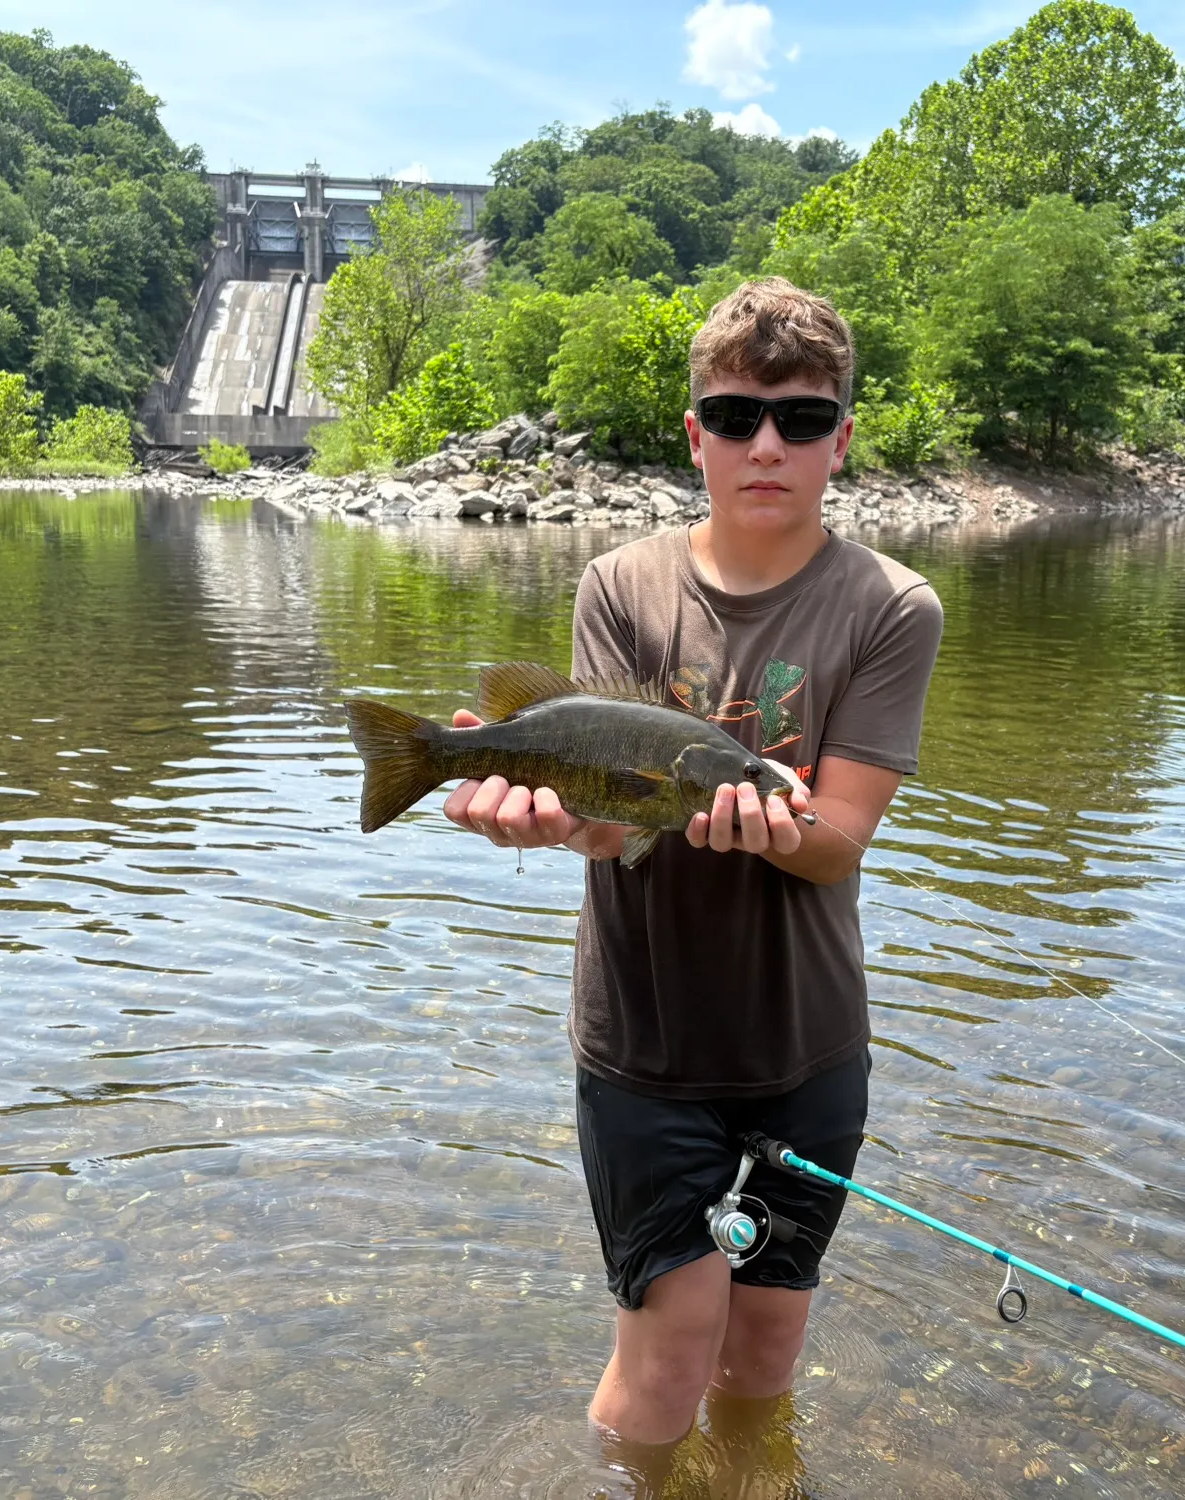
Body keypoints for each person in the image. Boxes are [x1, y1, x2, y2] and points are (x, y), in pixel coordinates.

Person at [444, 278, 944, 1458]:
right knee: (668, 1344)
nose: (765, 445)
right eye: (733, 418)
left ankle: (753, 1486)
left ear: (840, 441)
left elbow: (836, 846)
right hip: (645, 1043)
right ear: (695, 436)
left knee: (767, 1347)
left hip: (805, 1045)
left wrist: (780, 826)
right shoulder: (621, 585)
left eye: (801, 420)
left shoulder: (893, 607)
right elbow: (614, 827)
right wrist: (551, 823)